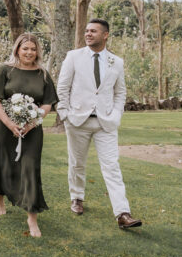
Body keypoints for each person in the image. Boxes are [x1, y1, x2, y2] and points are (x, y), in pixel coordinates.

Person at [57, 19, 143, 230]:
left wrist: (116, 116)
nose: (88, 34)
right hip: (77, 121)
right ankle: (77, 197)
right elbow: (62, 88)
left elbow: (120, 92)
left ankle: (122, 213)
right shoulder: (73, 57)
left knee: (112, 167)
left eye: (93, 31)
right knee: (77, 163)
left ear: (105, 35)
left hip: (106, 123)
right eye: (86, 30)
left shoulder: (117, 62)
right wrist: (65, 114)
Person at [0, 33, 58, 238]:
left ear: (38, 52)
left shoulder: (43, 74)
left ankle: (32, 218)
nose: (29, 52)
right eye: (25, 48)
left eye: (33, 49)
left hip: (32, 129)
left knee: (30, 167)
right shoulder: (5, 70)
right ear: (17, 49)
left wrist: (32, 122)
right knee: (3, 162)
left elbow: (47, 103)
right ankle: (0, 199)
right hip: (3, 126)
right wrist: (9, 123)